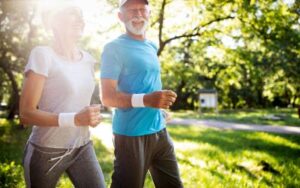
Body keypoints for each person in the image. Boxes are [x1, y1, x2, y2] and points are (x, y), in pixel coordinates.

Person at [19, 4, 106, 188]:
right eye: (72, 14)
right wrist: (75, 118)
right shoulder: (42, 55)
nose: (79, 20)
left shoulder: (88, 60)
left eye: (80, 16)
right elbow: (26, 114)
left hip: (82, 147)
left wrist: (91, 115)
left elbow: (74, 101)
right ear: (55, 22)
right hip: (46, 151)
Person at [100, 0, 183, 187]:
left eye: (142, 10)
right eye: (131, 10)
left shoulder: (151, 46)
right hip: (131, 135)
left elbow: (144, 83)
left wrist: (158, 110)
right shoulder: (113, 48)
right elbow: (107, 97)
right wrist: (147, 100)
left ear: (149, 14)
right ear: (120, 16)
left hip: (160, 132)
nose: (138, 14)